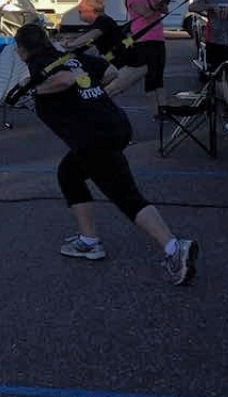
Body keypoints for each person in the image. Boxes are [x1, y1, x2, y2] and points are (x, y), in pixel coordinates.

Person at [12, 22, 198, 286]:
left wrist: (35, 90)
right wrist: (86, 91)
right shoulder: (67, 57)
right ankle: (89, 241)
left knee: (126, 197)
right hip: (113, 125)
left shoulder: (40, 65)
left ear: (21, 50)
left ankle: (174, 249)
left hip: (95, 137)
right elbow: (110, 71)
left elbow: (65, 79)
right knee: (69, 174)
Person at [64, 0, 147, 97]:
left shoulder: (103, 21)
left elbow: (94, 34)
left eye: (81, 7)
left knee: (101, 95)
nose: (79, 8)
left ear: (92, 9)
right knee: (94, 90)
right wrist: (72, 42)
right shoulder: (98, 22)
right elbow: (88, 38)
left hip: (132, 66)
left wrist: (73, 44)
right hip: (118, 65)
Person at [124, 0, 169, 118]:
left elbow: (165, 10)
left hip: (158, 38)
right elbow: (145, 13)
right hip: (143, 40)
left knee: (159, 75)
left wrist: (162, 0)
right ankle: (156, 111)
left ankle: (164, 109)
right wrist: (155, 3)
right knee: (150, 74)